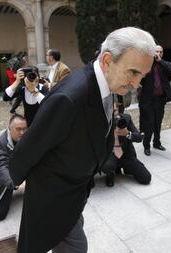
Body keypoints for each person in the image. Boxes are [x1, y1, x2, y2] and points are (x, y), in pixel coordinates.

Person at [9, 27, 156, 253]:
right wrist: (18, 180)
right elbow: (29, 148)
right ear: (108, 60)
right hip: (54, 196)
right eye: (133, 73)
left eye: (142, 77)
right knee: (77, 247)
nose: (136, 84)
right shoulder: (70, 98)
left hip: (76, 189)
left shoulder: (109, 82)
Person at [101, 102, 151, 187]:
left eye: (115, 111)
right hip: (110, 154)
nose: (113, 114)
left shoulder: (126, 119)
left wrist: (127, 134)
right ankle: (110, 173)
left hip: (126, 154)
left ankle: (125, 168)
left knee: (146, 178)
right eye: (109, 112)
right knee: (107, 166)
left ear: (118, 109)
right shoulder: (102, 122)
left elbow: (139, 137)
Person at [138, 44, 171, 156]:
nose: (158, 54)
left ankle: (157, 142)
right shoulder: (146, 65)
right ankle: (146, 146)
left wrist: (160, 61)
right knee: (148, 123)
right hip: (147, 99)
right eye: (156, 52)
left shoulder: (165, 64)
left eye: (160, 52)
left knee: (157, 122)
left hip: (160, 99)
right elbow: (140, 77)